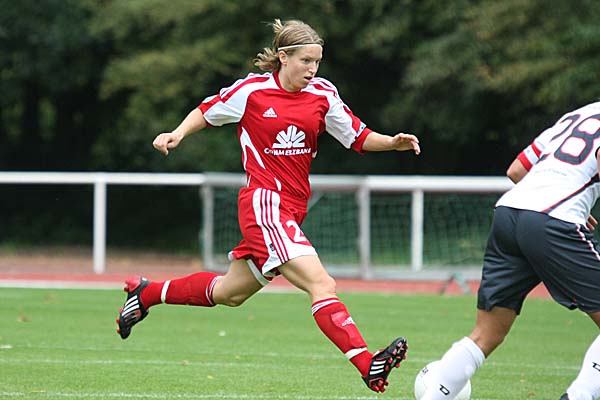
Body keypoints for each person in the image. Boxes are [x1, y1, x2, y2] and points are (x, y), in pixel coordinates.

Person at [116, 18, 420, 393]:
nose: (312, 69)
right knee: (321, 283)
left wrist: (391, 142)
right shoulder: (252, 91)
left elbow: (356, 136)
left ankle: (146, 293)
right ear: (283, 57)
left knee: (230, 293)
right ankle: (367, 364)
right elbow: (207, 110)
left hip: (292, 209)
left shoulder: (323, 94)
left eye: (317, 62)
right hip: (264, 203)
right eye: (306, 61)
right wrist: (177, 133)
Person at [421, 102, 600, 400]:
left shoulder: (579, 113)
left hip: (509, 213)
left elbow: (516, 169)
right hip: (552, 220)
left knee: (486, 334)